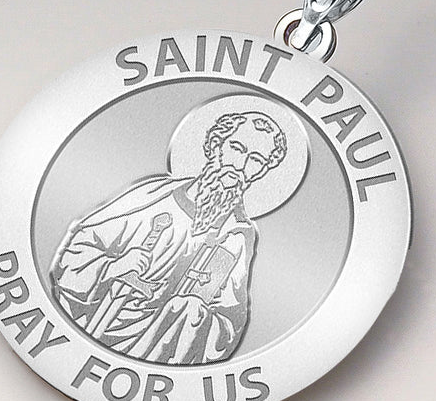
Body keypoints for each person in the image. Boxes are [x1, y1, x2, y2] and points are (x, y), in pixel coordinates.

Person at [49, 110, 287, 364]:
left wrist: (192, 315)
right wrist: (112, 267)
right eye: (237, 149)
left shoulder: (234, 236)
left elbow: (228, 318)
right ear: (215, 145)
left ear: (262, 171)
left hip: (157, 350)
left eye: (256, 160)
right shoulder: (154, 196)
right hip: (92, 322)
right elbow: (80, 246)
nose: (240, 166)